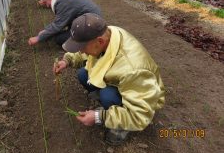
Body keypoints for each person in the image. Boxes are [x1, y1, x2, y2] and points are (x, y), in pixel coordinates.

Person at [53, 13, 165, 145]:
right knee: (83, 74)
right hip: (124, 80)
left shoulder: (133, 69)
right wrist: (67, 60)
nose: (81, 51)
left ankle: (121, 126)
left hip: (141, 98)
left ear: (100, 41)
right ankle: (110, 105)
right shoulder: (108, 34)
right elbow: (82, 53)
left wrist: (99, 116)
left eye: (82, 47)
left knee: (107, 95)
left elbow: (139, 115)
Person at [28, 0, 101, 46]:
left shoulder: (63, 1)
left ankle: (87, 40)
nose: (47, 6)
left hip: (93, 26)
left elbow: (58, 25)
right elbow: (61, 21)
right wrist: (46, 31)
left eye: (46, 2)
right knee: (55, 33)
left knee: (59, 39)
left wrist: (38, 38)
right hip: (89, 19)